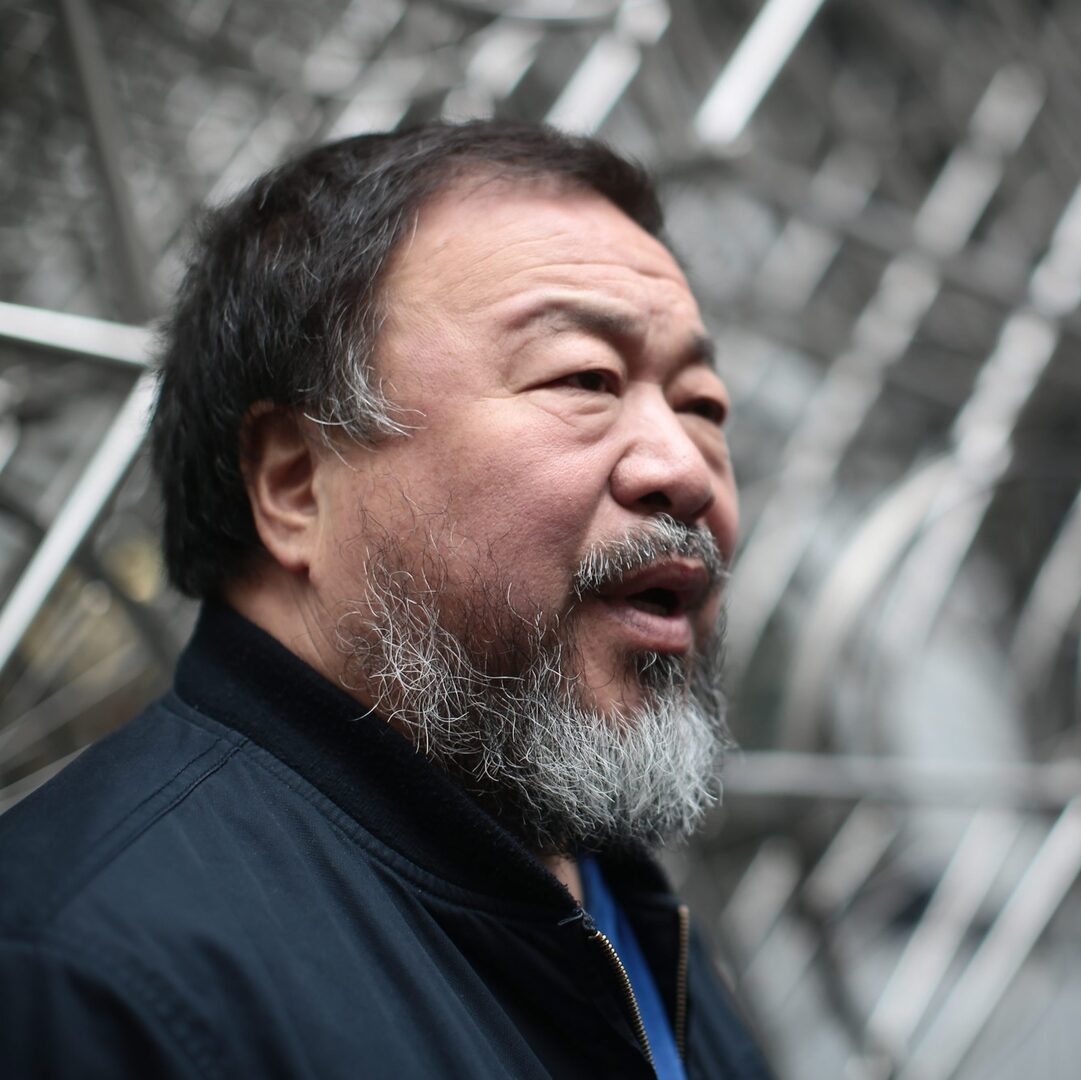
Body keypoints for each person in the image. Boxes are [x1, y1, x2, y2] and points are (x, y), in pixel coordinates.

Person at [0, 121, 772, 1079]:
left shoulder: (605, 894)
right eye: (585, 377)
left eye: (702, 405)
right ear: (296, 484)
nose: (685, 470)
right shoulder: (83, 981)